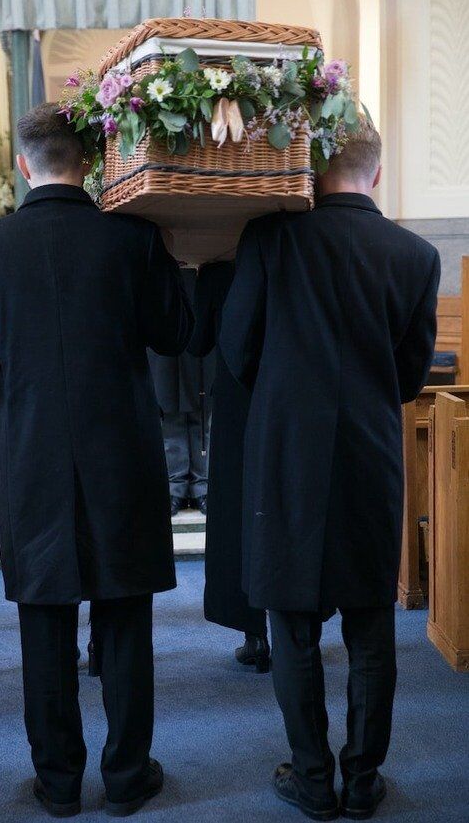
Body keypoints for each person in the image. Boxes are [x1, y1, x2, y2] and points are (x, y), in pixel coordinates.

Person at [0, 102, 192, 818]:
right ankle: (127, 777)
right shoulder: (134, 237)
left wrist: (24, 398)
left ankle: (58, 783)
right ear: (87, 163)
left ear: (23, 166)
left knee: (44, 619)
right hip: (121, 449)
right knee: (125, 613)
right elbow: (175, 334)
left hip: (33, 453)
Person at [220, 118, 440, 821]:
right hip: (370, 451)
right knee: (371, 622)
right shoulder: (415, 255)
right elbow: (411, 374)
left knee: (291, 621)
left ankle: (312, 777)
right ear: (377, 173)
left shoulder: (269, 238)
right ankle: (364, 779)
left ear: (311, 169)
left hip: (286, 451)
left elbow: (237, 348)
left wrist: (283, 394)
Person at [189, 261, 269, 672]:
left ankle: (253, 633)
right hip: (289, 399)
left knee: (237, 512)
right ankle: (296, 634)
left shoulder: (218, 272)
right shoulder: (295, 258)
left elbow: (196, 342)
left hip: (237, 405)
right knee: (282, 508)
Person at [148, 267, 215, 517]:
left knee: (202, 406)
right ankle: (175, 486)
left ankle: (202, 485)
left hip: (200, 289)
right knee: (169, 404)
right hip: (165, 293)